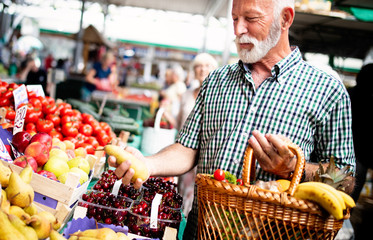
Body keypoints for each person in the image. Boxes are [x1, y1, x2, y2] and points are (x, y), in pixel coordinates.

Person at [109, 0, 356, 239]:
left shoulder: (327, 90)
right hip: (202, 232)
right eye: (235, 18)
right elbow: (188, 149)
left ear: (285, 18)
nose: (238, 30)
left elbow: (345, 179)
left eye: (251, 18)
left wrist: (292, 168)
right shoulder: (216, 80)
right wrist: (147, 164)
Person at [177, 53, 218, 217]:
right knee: (181, 192)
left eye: (207, 66)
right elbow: (179, 122)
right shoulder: (186, 95)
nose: (202, 69)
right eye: (198, 66)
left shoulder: (217, 96)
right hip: (184, 151)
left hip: (204, 154)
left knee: (196, 194)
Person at [349, 63, 373, 202]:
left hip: (357, 152)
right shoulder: (355, 97)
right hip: (358, 152)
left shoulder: (350, 95)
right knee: (356, 179)